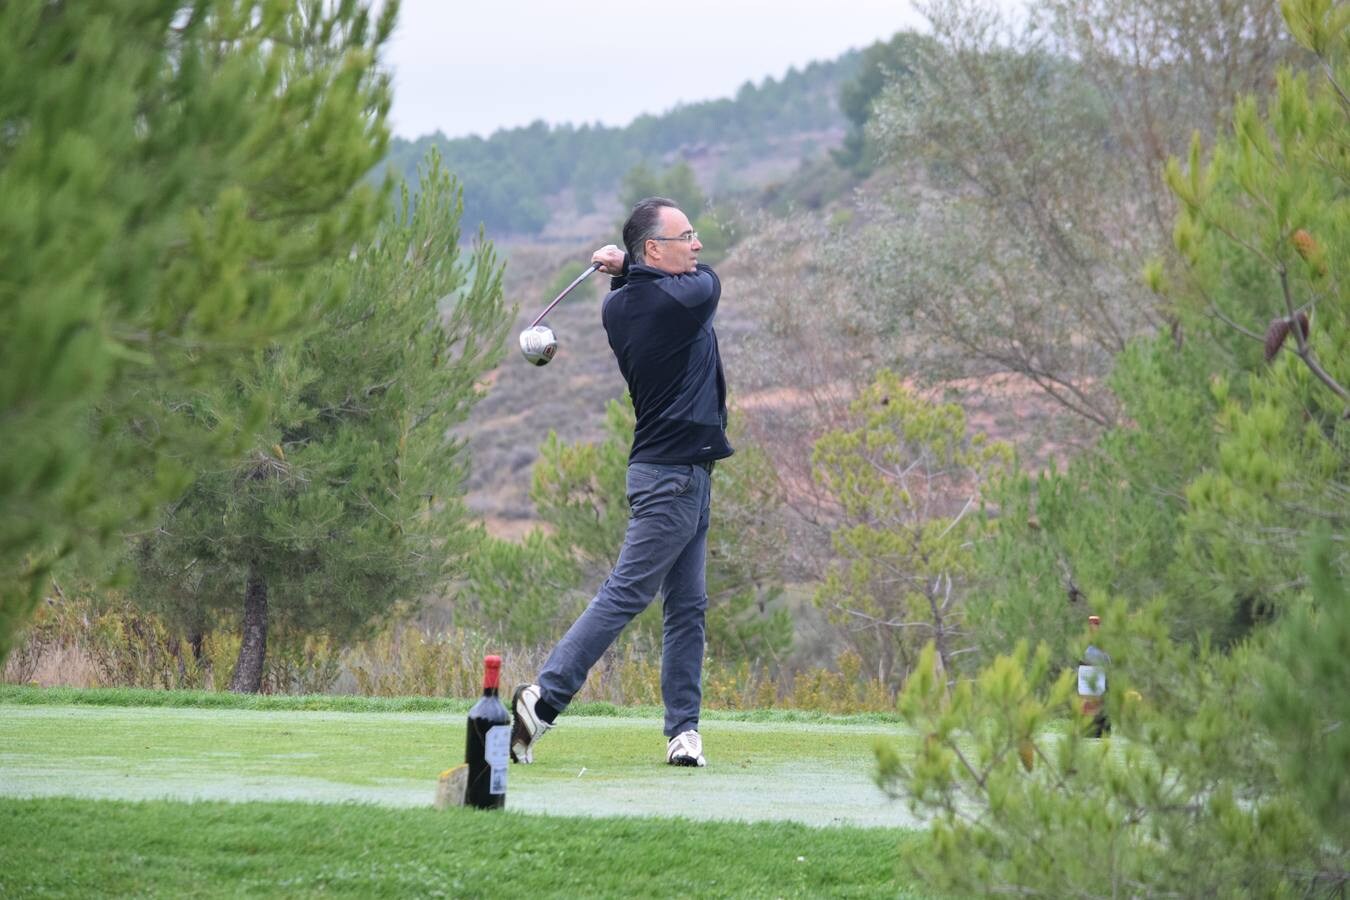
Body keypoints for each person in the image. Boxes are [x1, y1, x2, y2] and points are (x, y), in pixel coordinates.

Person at [511, 197, 732, 768]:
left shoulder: (621, 306)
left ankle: (683, 732)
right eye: (687, 236)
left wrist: (625, 268)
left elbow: (645, 285)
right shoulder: (687, 298)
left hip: (682, 472)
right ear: (654, 248)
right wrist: (628, 267)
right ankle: (543, 699)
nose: (698, 246)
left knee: (687, 605)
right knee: (628, 592)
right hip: (673, 478)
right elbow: (706, 281)